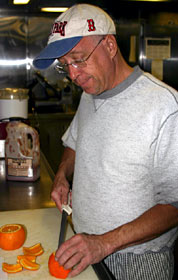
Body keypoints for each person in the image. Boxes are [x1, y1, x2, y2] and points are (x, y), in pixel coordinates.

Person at [33, 4, 178, 280]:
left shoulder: (164, 106)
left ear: (109, 46)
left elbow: (174, 205)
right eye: (66, 66)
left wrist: (103, 243)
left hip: (138, 263)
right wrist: (63, 175)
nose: (74, 75)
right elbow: (74, 143)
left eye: (78, 58)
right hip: (86, 252)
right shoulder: (91, 94)